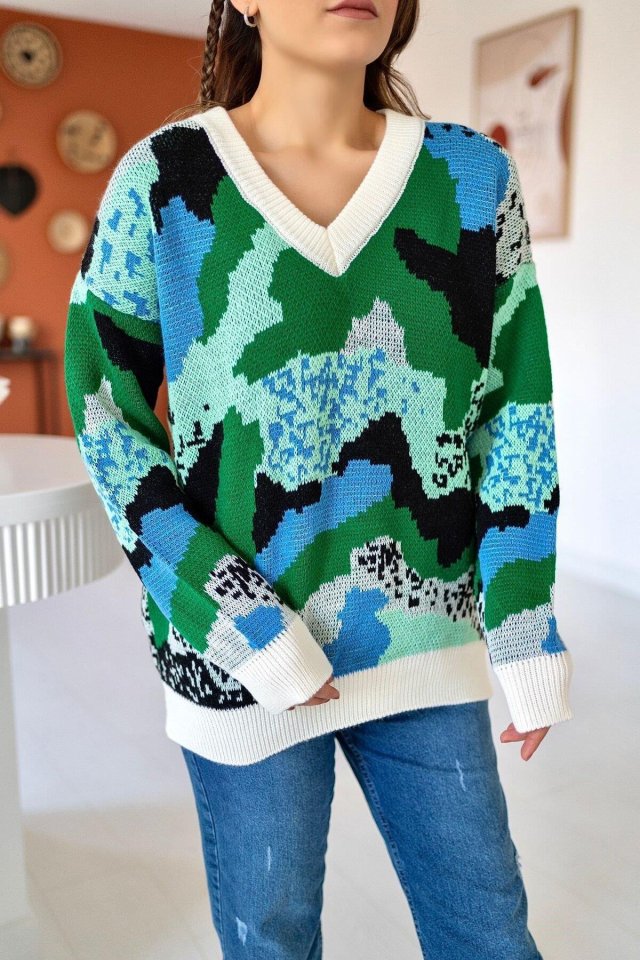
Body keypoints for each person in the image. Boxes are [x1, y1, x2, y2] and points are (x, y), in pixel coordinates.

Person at [64, 0, 575, 956]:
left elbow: (518, 410)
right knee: (272, 939)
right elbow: (106, 417)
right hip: (238, 662)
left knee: (489, 934)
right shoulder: (165, 179)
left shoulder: (471, 180)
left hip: (425, 640)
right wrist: (240, 622)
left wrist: (522, 618)